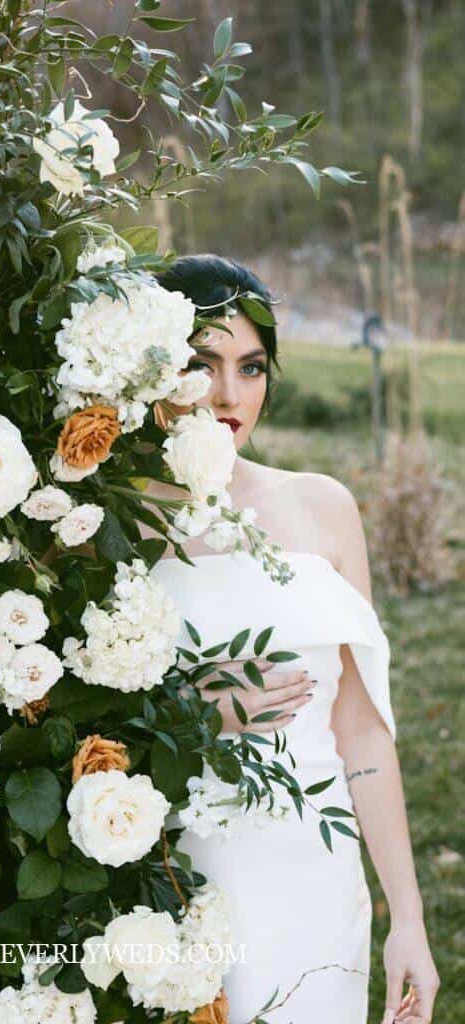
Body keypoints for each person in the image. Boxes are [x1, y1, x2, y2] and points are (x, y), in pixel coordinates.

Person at [141, 255, 439, 1023]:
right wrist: (188, 711)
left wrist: (404, 917)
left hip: (314, 873)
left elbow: (361, 727)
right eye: (200, 364)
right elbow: (59, 719)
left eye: (250, 367)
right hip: (169, 877)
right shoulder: (99, 525)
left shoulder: (322, 507)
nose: (228, 394)